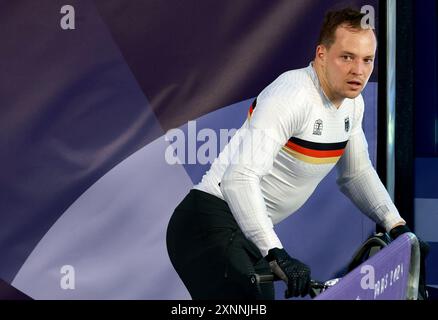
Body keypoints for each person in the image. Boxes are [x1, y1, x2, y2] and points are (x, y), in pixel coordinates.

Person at [166, 7, 429, 300]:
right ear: (321, 54)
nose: (359, 70)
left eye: (367, 60)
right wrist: (276, 253)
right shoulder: (292, 95)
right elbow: (238, 179)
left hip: (240, 232)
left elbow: (356, 174)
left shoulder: (352, 103)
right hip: (206, 224)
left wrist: (397, 224)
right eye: (347, 57)